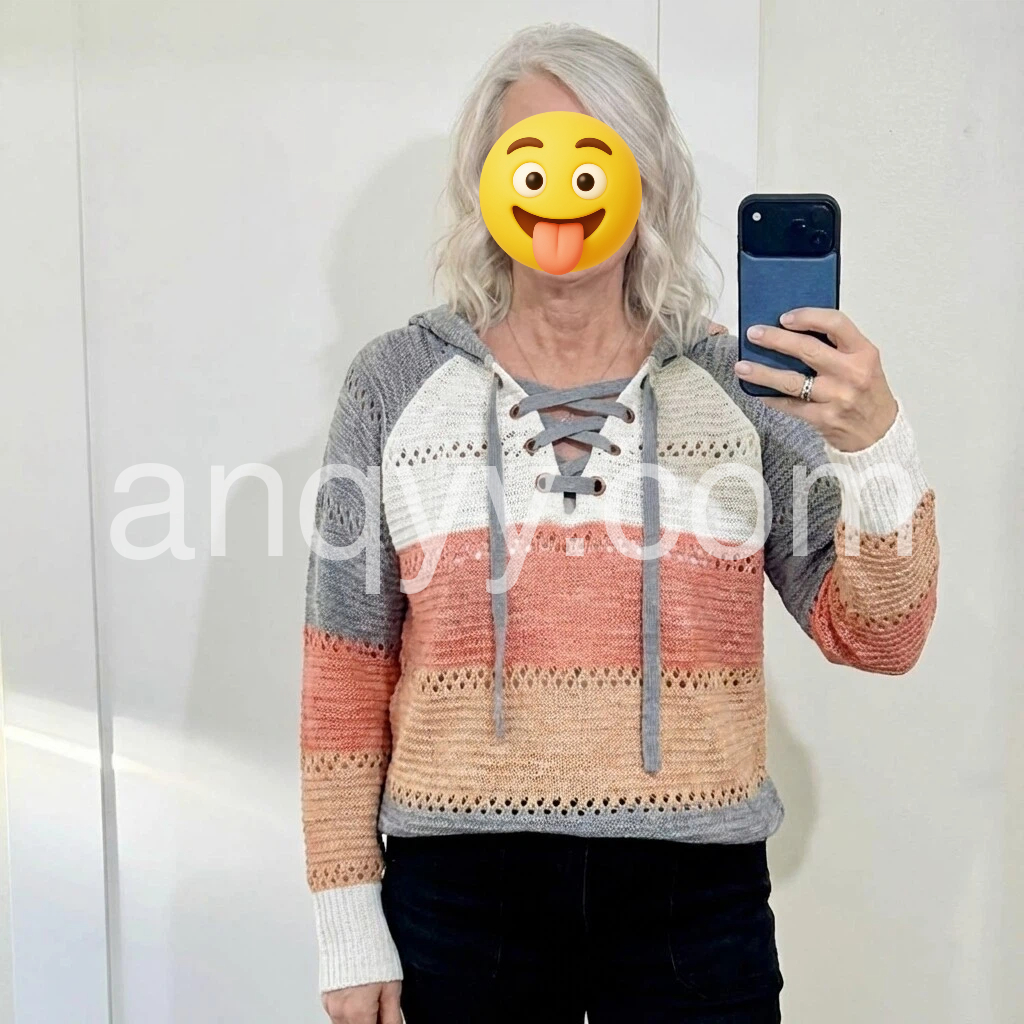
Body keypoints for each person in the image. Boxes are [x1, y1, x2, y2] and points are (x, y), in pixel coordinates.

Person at [300, 24, 938, 1024]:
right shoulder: (394, 381)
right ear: (483, 179)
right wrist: (347, 920)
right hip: (458, 898)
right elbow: (346, 663)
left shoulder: (744, 385)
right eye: (530, 156)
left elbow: (879, 636)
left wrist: (876, 450)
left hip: (696, 903)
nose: (561, 192)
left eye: (593, 156)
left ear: (646, 179)